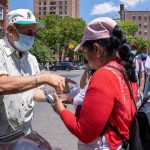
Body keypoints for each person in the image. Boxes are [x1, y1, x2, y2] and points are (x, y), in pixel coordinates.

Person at [52, 17, 138, 150]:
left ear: (97, 49)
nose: (85, 57)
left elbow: (85, 133)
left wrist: (60, 110)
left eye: (85, 51)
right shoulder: (123, 69)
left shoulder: (104, 75)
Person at [0, 9, 73, 139]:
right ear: (11, 31)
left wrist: (54, 98)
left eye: (34, 33)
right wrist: (43, 78)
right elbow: (2, 85)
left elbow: (31, 92)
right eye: (28, 32)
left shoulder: (31, 59)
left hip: (24, 132)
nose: (32, 37)